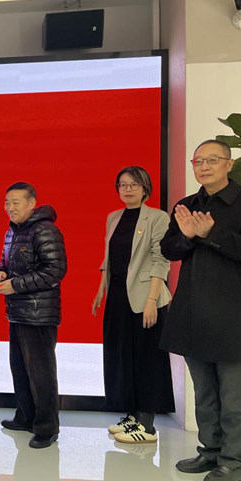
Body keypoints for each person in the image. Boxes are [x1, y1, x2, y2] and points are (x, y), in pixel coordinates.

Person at [160, 140, 241, 481]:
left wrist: (212, 233)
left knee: (235, 396)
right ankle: (211, 451)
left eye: (212, 160)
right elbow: (169, 250)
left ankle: (234, 460)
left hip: (232, 316)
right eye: (198, 161)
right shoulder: (186, 206)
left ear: (229, 164)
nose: (204, 167)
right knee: (204, 394)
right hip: (192, 313)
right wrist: (187, 236)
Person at [91, 166, 174, 444]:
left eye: (134, 185)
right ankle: (132, 416)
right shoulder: (113, 217)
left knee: (147, 358)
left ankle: (147, 425)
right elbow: (110, 257)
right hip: (117, 295)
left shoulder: (157, 217)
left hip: (145, 297)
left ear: (145, 187)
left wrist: (152, 301)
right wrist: (101, 289)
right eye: (123, 185)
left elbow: (160, 260)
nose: (127, 190)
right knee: (122, 356)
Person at [0, 182, 66, 448]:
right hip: (17, 311)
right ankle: (26, 417)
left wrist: (16, 285)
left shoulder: (45, 229)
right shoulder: (13, 231)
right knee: (20, 368)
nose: (10, 207)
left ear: (32, 203)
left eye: (16, 202)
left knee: (41, 373)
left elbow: (55, 270)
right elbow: (6, 262)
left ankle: (47, 428)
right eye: (7, 202)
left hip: (38, 313)